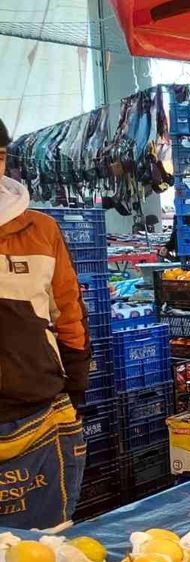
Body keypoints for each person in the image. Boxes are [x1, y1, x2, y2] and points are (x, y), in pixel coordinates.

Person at [0, 117, 90, 528]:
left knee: (43, 557)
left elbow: (67, 311)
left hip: (38, 415)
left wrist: (75, 385)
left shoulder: (41, 229)